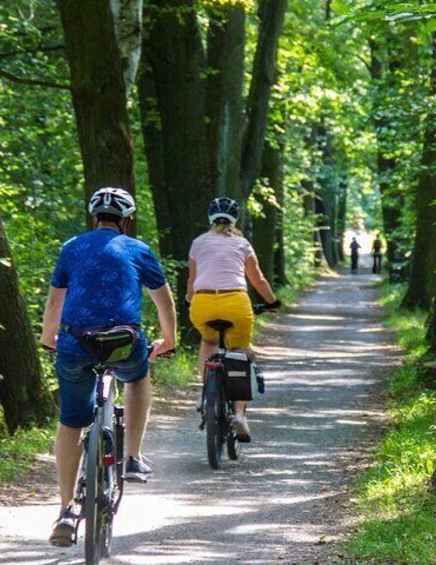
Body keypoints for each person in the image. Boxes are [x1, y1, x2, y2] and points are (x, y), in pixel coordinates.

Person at [40, 187, 177, 547]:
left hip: (75, 344)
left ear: (93, 218)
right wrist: (169, 339)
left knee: (71, 421)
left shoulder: (72, 247)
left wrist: (48, 338)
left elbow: (56, 302)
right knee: (137, 377)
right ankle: (132, 456)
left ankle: (66, 510)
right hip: (122, 344)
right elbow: (165, 303)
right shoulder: (138, 249)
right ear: (126, 220)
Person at [186, 197, 281, 442]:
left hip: (203, 303)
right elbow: (257, 279)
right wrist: (271, 302)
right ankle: (239, 414)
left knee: (208, 343)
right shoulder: (242, 243)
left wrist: (190, 299)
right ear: (235, 219)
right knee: (240, 352)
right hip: (236, 303)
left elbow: (192, 281)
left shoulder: (198, 243)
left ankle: (206, 393)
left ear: (210, 217)